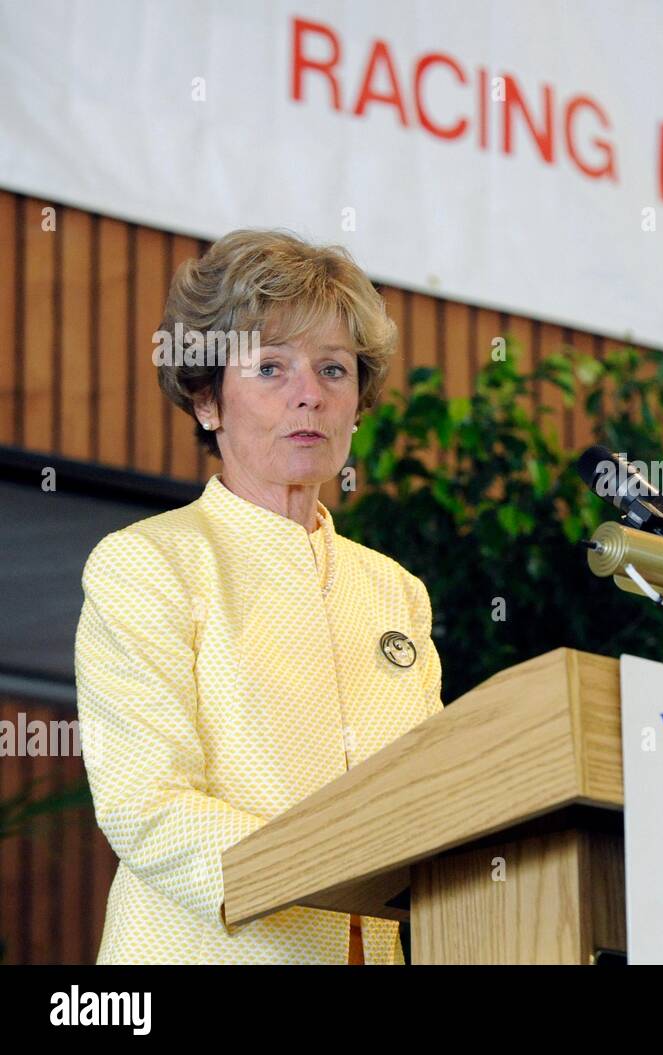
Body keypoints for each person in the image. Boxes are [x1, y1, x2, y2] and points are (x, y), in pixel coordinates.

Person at [75, 229, 444, 964]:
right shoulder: (144, 564)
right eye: (271, 367)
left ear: (357, 407)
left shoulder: (397, 591)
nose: (309, 392)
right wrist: (343, 867)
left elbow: (425, 800)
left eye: (334, 369)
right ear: (208, 399)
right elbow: (148, 807)